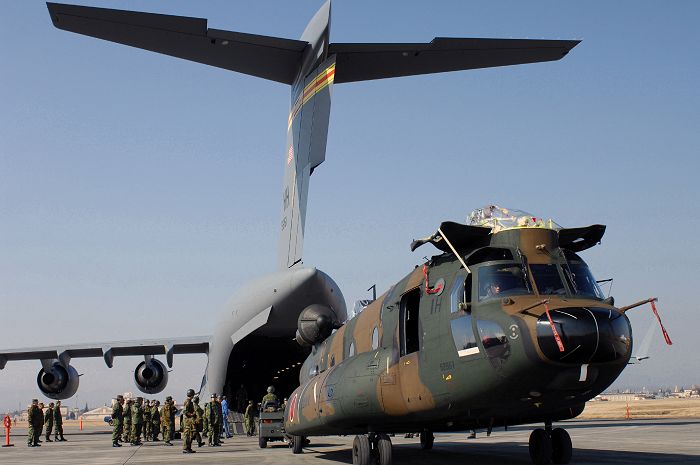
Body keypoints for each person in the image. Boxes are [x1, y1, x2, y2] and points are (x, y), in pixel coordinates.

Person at [181, 389, 196, 454]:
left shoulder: (189, 401)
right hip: (187, 421)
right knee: (186, 435)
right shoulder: (188, 401)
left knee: (190, 434)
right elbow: (184, 411)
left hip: (189, 421)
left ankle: (188, 448)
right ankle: (185, 448)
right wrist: (191, 414)